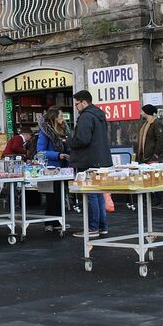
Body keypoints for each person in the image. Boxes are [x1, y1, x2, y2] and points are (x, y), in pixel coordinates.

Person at [68, 90, 113, 238]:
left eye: (76, 104)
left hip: (87, 160)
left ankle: (92, 228)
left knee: (90, 195)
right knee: (98, 194)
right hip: (100, 159)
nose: (76, 107)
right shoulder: (99, 115)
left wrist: (68, 141)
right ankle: (102, 226)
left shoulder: (86, 117)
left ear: (84, 102)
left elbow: (83, 139)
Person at [36, 108, 70, 232]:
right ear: (54, 118)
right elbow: (40, 152)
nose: (62, 119)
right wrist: (57, 155)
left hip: (62, 168)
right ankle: (49, 222)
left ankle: (58, 221)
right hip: (51, 168)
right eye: (60, 116)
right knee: (52, 196)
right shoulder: (45, 133)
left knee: (60, 194)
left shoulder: (63, 131)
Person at [136, 104, 163, 209]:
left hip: (153, 156)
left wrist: (156, 154)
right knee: (151, 178)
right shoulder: (146, 124)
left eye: (142, 111)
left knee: (158, 177)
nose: (141, 113)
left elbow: (160, 139)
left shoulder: (156, 123)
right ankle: (156, 199)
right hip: (146, 156)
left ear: (147, 112)